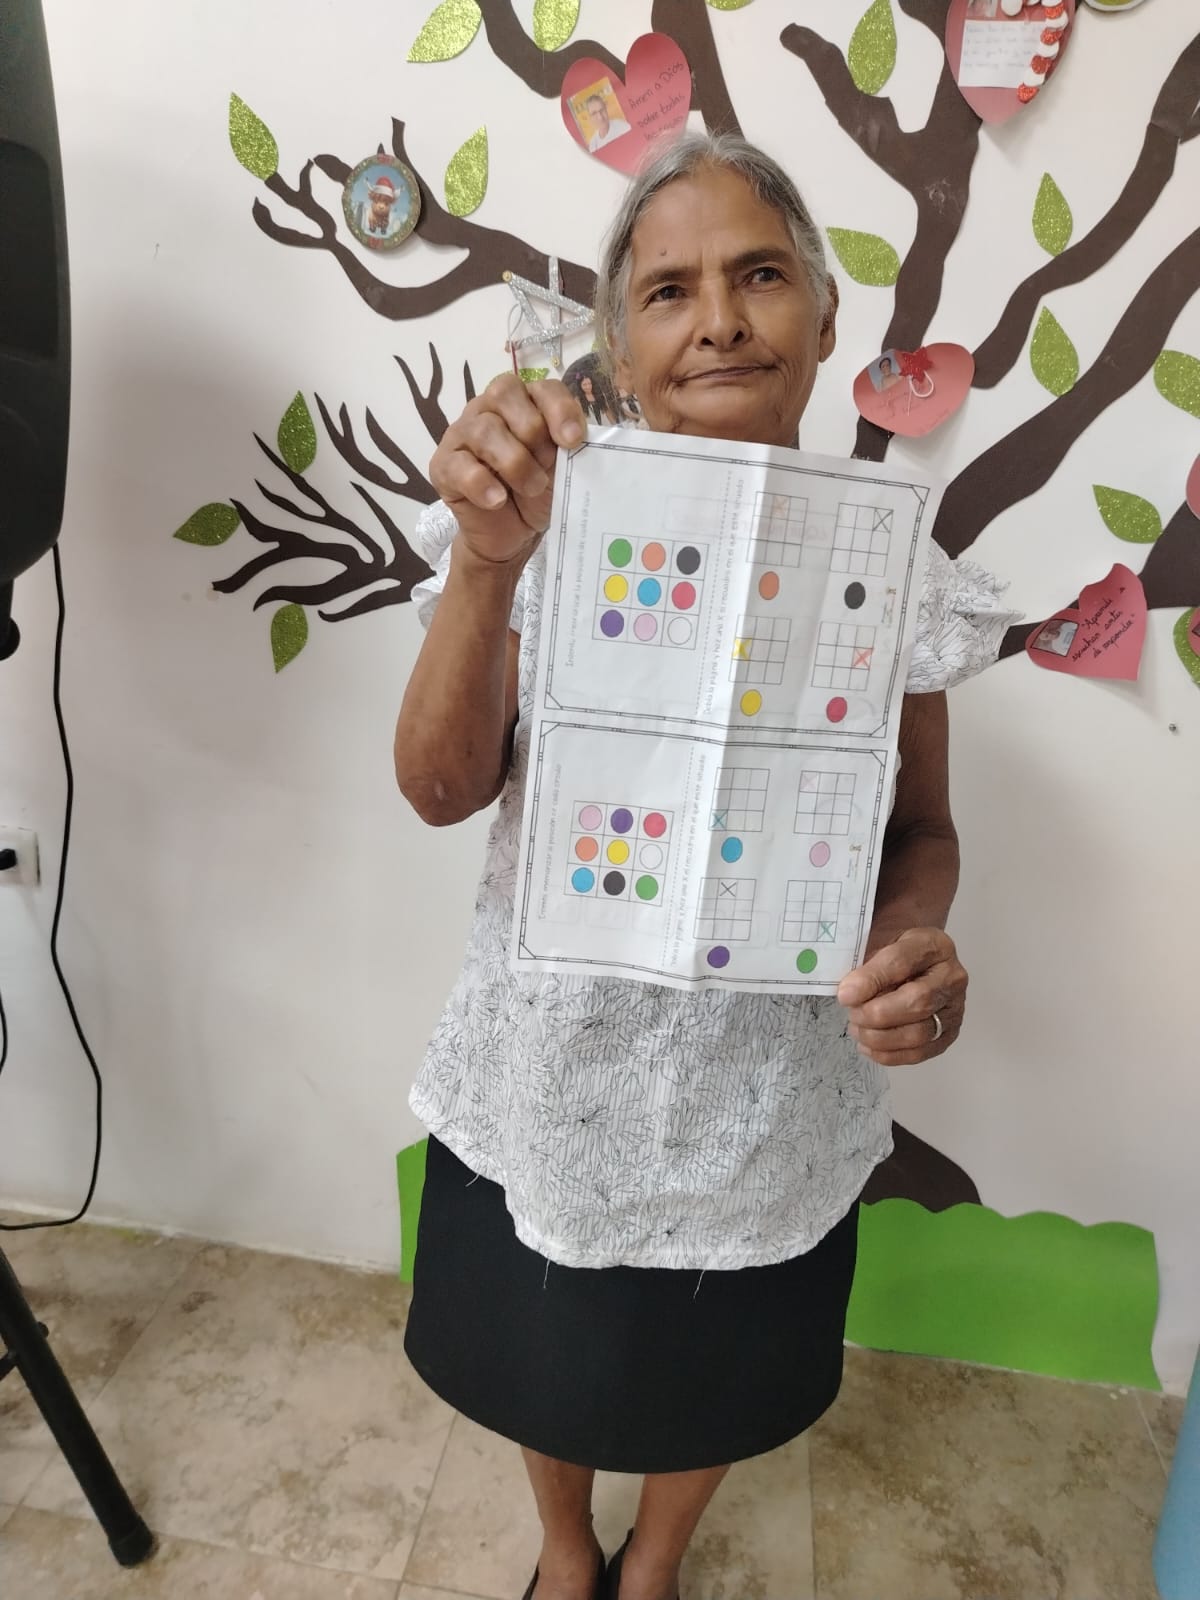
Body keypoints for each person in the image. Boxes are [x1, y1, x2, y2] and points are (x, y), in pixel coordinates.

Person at [394, 133, 1017, 1600]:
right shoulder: (532, 521)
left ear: (826, 320)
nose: (720, 319)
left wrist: (910, 939)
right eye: (668, 291)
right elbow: (438, 789)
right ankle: (566, 1553)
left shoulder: (891, 566)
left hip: (766, 1090)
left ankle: (656, 1563)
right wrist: (485, 565)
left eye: (762, 275)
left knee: (715, 1371)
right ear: (619, 343)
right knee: (546, 1348)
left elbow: (920, 832)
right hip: (556, 1064)